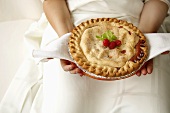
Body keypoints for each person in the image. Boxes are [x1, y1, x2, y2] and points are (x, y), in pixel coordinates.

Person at [0, 0, 170, 113]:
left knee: (151, 108)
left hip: (136, 28)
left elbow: (158, 1)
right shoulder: (69, 36)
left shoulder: (139, 38)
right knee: (65, 108)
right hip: (71, 25)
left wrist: (143, 43)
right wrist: (67, 43)